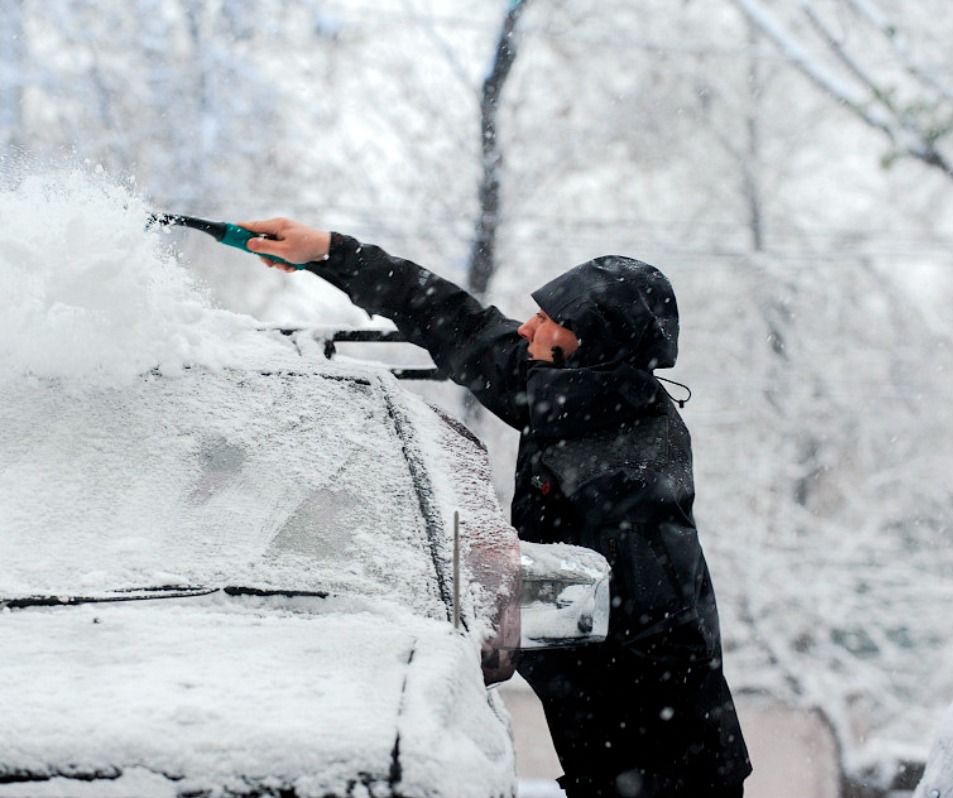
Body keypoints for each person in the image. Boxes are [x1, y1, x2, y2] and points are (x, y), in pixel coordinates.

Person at [239, 218, 752, 798]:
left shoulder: (629, 475)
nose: (527, 327)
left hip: (663, 766)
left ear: (592, 341)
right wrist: (330, 252)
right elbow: (456, 321)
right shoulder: (569, 390)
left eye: (548, 320)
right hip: (607, 756)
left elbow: (643, 629)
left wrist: (491, 607)